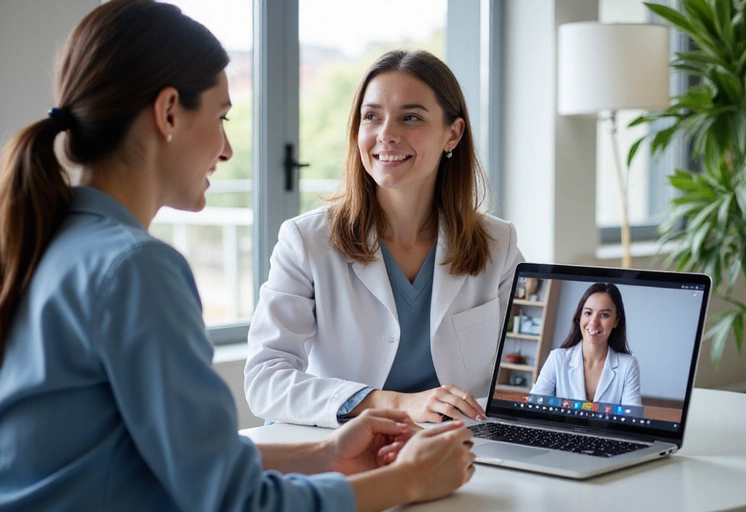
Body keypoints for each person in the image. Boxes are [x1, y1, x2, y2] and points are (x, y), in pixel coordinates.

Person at [0, 2, 476, 510]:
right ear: (167, 113)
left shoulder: (51, 243)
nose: (227, 149)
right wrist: (409, 482)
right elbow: (236, 502)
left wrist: (327, 452)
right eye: (221, 116)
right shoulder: (134, 270)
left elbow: (182, 462)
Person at [245, 50, 524, 428]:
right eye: (371, 117)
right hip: (339, 448)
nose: (386, 135)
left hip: (455, 448)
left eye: (411, 118)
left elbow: (525, 372)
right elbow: (266, 380)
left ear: (452, 134)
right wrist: (393, 403)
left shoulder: (498, 243)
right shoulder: (305, 241)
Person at [530, 283, 642, 405]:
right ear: (579, 316)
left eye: (604, 315)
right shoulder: (557, 358)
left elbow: (631, 417)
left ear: (616, 321)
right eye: (588, 313)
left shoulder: (628, 366)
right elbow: (534, 405)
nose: (593, 322)